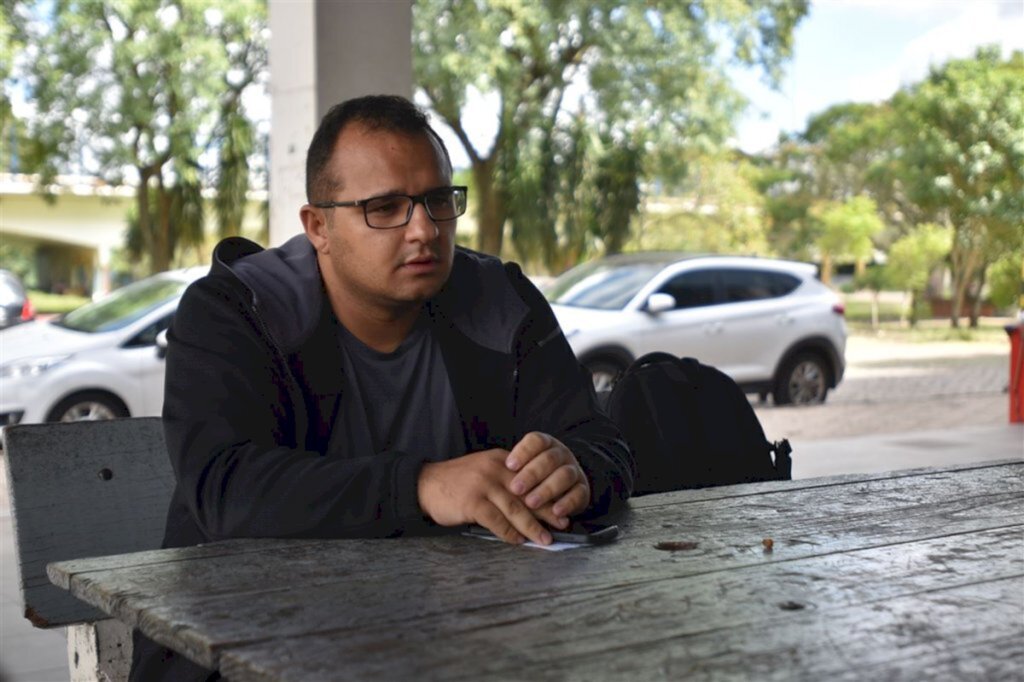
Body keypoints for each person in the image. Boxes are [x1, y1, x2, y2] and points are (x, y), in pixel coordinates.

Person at [130, 94, 634, 680]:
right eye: (385, 207)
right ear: (318, 226)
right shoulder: (239, 310)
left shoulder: (503, 302)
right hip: (240, 644)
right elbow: (224, 487)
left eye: (438, 200)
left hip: (456, 639)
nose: (423, 229)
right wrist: (420, 486)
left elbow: (602, 441)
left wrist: (576, 469)